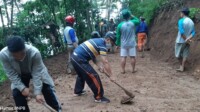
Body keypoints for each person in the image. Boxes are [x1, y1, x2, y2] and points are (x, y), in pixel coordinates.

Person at [0, 36, 62, 112]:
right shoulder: (3, 55)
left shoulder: (35, 53)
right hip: (19, 74)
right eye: (15, 56)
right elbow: (11, 73)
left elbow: (37, 73)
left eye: (22, 54)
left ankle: (56, 109)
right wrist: (22, 88)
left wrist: (38, 92)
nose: (19, 58)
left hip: (37, 71)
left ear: (24, 49)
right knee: (17, 93)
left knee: (46, 88)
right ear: (10, 53)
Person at [70, 32, 116, 103]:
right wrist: (111, 75)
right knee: (94, 76)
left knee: (81, 74)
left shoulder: (98, 41)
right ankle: (99, 97)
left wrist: (99, 66)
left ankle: (78, 91)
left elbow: (93, 57)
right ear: (108, 40)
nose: (112, 45)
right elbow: (105, 61)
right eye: (112, 43)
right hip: (79, 59)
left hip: (74, 57)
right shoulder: (102, 45)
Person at [116, 9, 140, 74]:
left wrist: (117, 44)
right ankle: (133, 69)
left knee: (123, 57)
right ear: (129, 15)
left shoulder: (120, 25)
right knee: (132, 57)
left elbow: (118, 36)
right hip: (132, 43)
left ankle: (123, 70)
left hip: (123, 44)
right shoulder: (133, 22)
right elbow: (138, 21)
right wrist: (132, 16)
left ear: (123, 17)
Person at [175, 7, 196, 72]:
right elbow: (193, 32)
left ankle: (181, 66)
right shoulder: (191, 22)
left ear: (183, 13)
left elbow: (181, 32)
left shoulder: (181, 21)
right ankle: (183, 67)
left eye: (181, 12)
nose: (180, 13)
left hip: (180, 41)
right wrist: (188, 39)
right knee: (185, 54)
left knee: (177, 55)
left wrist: (185, 39)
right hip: (187, 42)